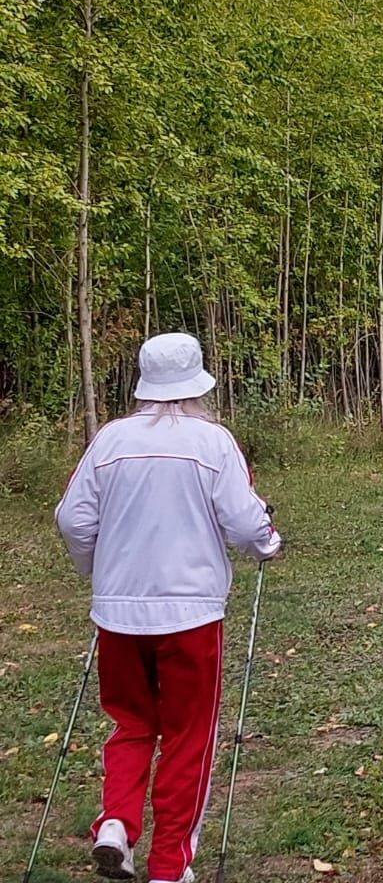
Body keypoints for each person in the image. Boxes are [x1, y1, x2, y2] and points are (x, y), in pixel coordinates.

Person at [55, 332, 282, 883]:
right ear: (198, 382)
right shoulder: (213, 442)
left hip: (118, 613)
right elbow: (245, 521)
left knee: (130, 724)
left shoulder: (110, 440)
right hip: (191, 614)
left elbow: (72, 519)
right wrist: (268, 544)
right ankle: (169, 866)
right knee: (188, 735)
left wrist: (98, 569)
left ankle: (116, 824)